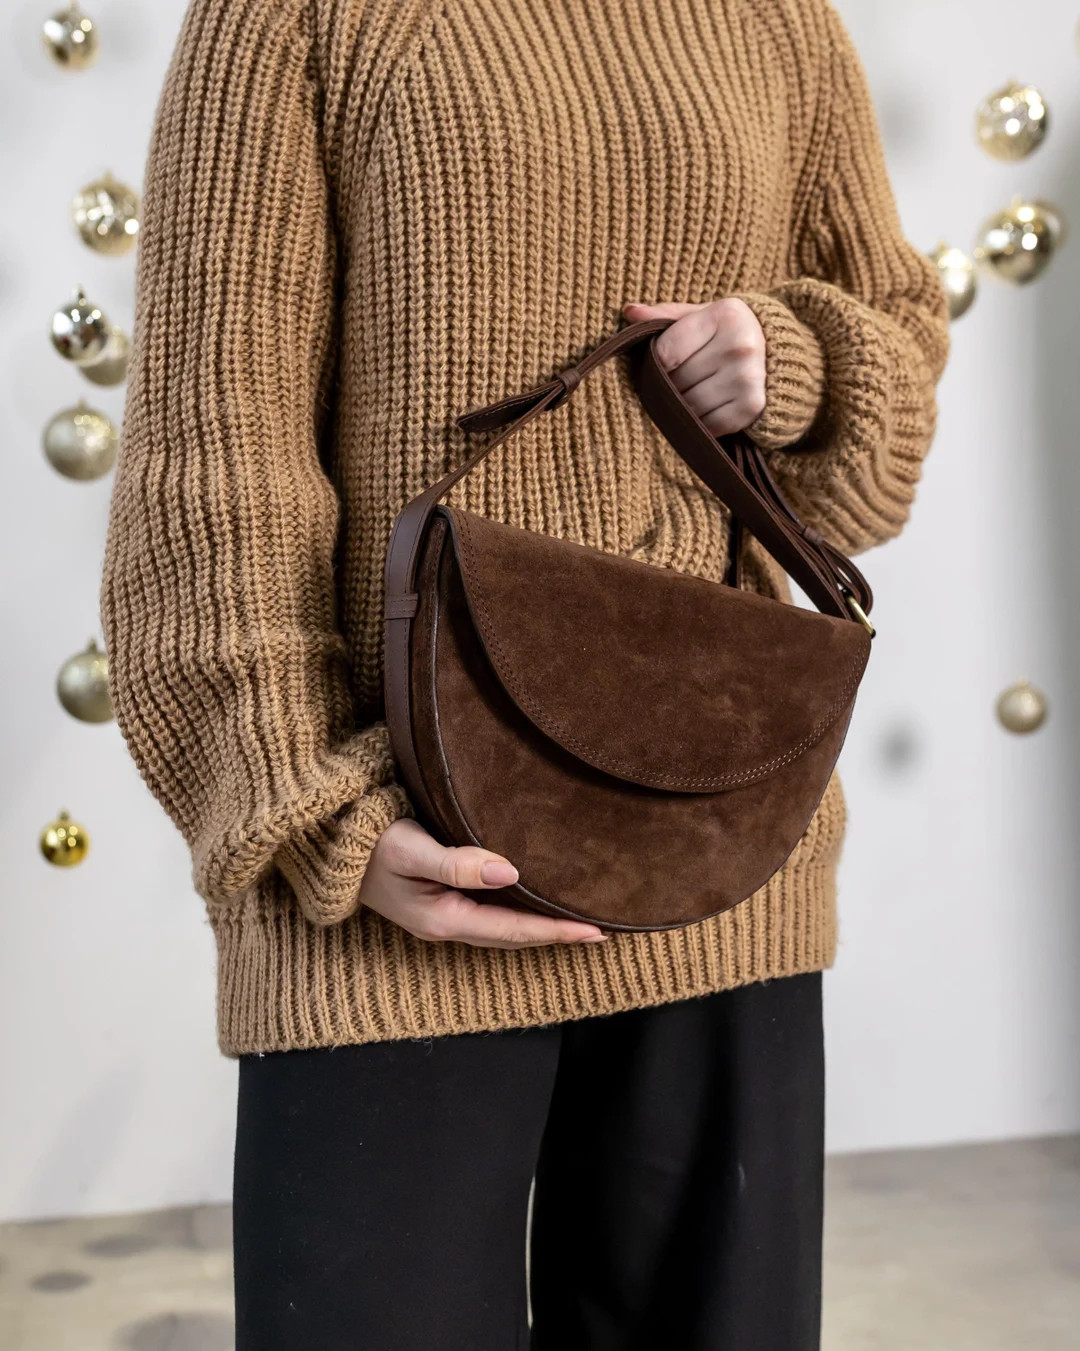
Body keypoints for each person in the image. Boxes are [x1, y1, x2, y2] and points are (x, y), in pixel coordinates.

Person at [100, 0, 949, 1346]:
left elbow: (893, 355)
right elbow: (215, 452)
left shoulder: (776, 19)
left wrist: (793, 362)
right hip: (400, 876)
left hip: (723, 859)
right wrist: (317, 819)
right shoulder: (297, 19)